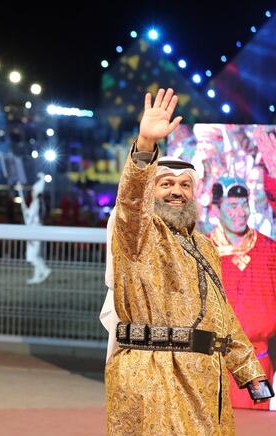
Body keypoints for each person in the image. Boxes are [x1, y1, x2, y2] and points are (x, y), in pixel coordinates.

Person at [104, 88, 266, 434]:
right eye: (165, 184)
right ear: (151, 190)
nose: (176, 191)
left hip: (203, 377)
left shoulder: (204, 246)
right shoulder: (138, 235)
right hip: (154, 375)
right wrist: (145, 145)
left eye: (184, 185)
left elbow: (221, 314)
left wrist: (248, 370)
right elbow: (131, 203)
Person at [209, 176, 276, 410]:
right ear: (216, 209)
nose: (241, 212)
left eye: (244, 204)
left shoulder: (269, 249)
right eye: (232, 205)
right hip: (213, 365)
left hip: (258, 365)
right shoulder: (204, 251)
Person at [14, 173, 51, 284]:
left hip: (34, 232)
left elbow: (30, 218)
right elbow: (28, 214)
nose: (32, 192)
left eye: (33, 191)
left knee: (32, 256)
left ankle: (45, 270)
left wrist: (26, 214)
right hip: (35, 231)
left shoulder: (36, 204)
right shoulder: (37, 203)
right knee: (35, 255)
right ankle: (37, 276)